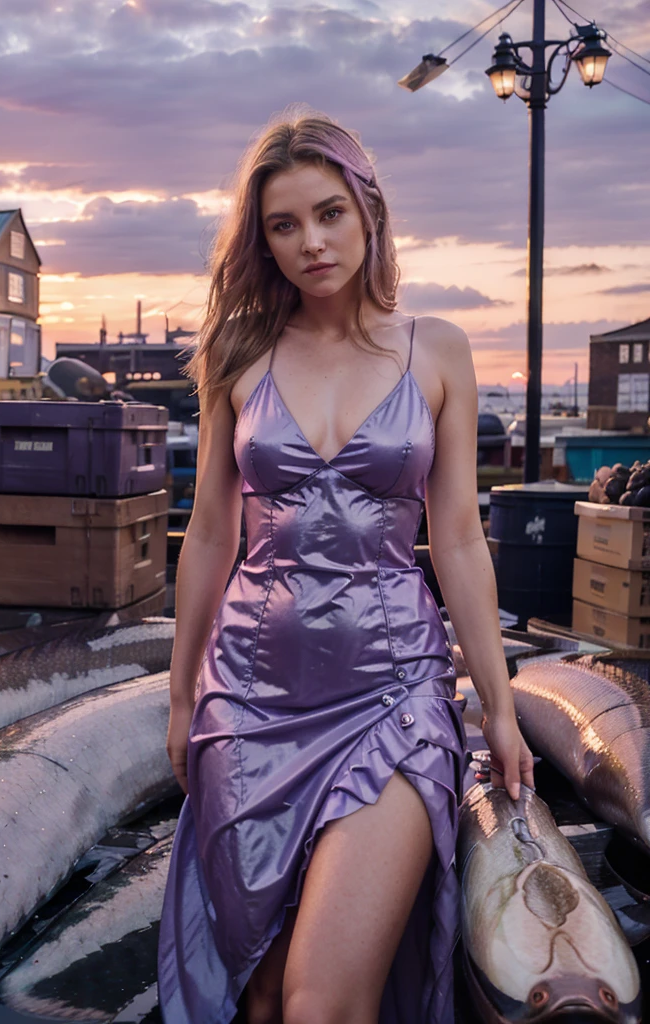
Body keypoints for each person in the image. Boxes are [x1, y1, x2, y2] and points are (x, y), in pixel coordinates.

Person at [156, 108, 535, 1024]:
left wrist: (501, 707)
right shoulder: (237, 352)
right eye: (283, 226)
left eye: (328, 214)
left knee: (323, 1003)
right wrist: (180, 694)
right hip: (246, 702)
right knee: (261, 998)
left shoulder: (435, 348)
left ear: (370, 212)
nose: (310, 243)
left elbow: (457, 539)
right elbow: (210, 532)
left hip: (392, 694)